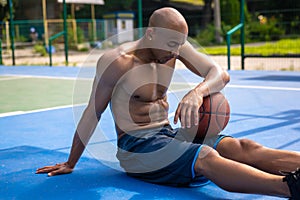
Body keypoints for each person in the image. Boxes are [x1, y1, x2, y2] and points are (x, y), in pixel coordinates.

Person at [36, 7, 300, 199]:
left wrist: (197, 92)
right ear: (151, 34)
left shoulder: (175, 46)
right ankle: (289, 187)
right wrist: (71, 162)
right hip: (136, 146)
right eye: (172, 44)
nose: (177, 51)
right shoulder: (117, 62)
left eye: (181, 44)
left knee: (240, 146)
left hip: (169, 135)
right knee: (206, 155)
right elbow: (93, 112)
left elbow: (220, 74)